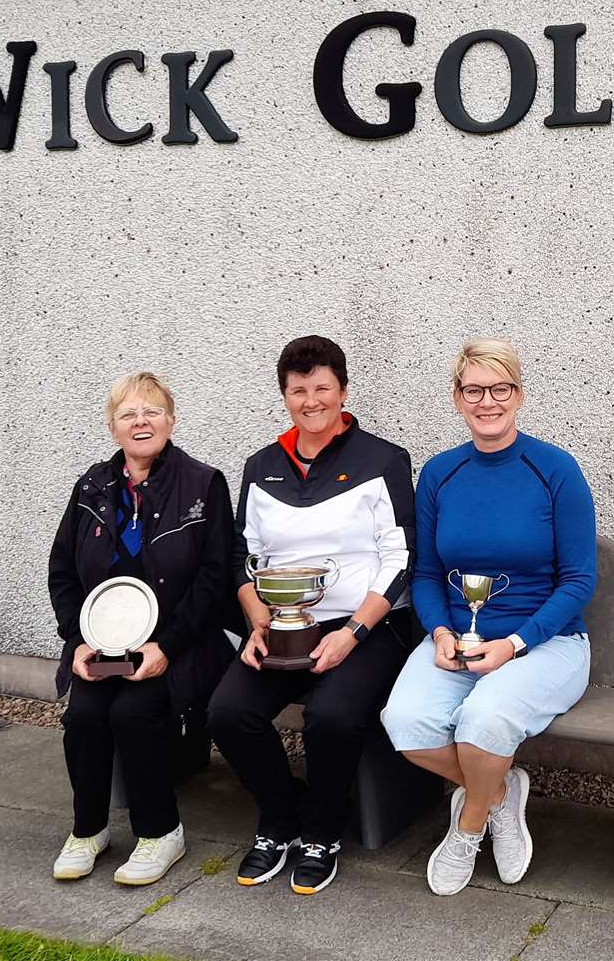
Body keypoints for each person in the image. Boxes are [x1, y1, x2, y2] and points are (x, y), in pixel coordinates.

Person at [380, 337, 595, 896]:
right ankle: (500, 794)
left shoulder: (556, 469)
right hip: (459, 639)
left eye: (500, 388)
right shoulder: (440, 473)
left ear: (519, 395)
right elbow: (426, 573)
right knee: (405, 723)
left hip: (547, 644)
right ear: (457, 398)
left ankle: (468, 826)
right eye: (474, 389)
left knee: (485, 723)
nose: (487, 400)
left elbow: (579, 580)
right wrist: (441, 631)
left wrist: (514, 645)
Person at [208, 335, 416, 896]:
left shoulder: (384, 459)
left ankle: (323, 832)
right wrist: (257, 620)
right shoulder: (261, 466)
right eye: (298, 390)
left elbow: (402, 558)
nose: (311, 400)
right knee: (227, 712)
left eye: (322, 387)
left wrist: (352, 632)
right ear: (285, 396)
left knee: (331, 716)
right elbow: (240, 555)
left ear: (342, 391)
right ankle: (280, 818)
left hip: (367, 627)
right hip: (282, 627)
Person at [48, 372, 235, 886]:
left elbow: (215, 577)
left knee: (134, 711)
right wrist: (77, 639)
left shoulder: (203, 484)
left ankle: (161, 832)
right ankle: (88, 829)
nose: (141, 421)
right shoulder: (90, 487)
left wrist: (166, 647)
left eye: (152, 411)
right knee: (85, 715)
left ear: (170, 422)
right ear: (113, 428)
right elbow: (62, 571)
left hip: (182, 644)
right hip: (101, 647)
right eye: (128, 413)